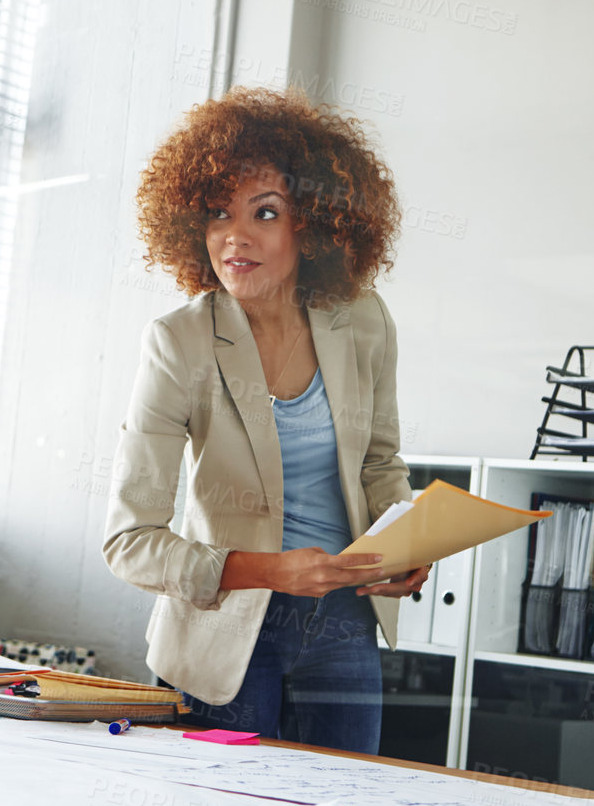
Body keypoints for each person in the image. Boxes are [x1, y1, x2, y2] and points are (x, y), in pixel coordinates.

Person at [102, 86, 428, 754]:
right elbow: (130, 541)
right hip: (222, 640)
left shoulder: (363, 320)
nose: (233, 237)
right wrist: (272, 571)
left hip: (343, 628)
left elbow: (380, 464)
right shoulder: (178, 343)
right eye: (218, 212)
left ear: (312, 223)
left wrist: (406, 541)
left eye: (265, 212)